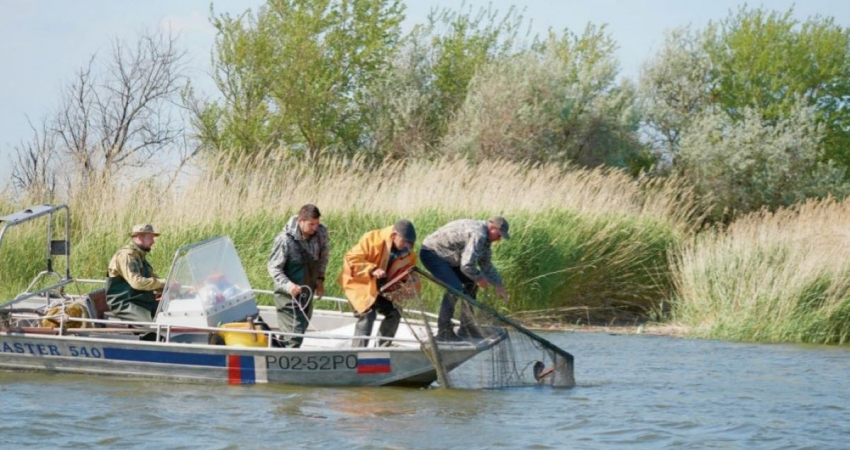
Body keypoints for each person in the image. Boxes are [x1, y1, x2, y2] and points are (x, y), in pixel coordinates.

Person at [419, 216, 510, 341]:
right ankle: (444, 331)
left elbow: (486, 265)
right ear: (492, 227)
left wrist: (499, 285)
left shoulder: (486, 240)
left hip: (449, 257)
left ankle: (467, 328)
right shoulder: (479, 234)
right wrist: (479, 278)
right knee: (455, 288)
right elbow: (466, 265)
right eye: (499, 235)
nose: (499, 239)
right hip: (432, 253)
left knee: (470, 283)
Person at [339, 219, 420, 347]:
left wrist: (406, 286)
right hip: (359, 285)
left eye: (410, 244)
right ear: (394, 235)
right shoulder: (372, 239)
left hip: (382, 290)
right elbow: (352, 259)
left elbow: (408, 275)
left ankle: (382, 348)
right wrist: (372, 270)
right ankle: (358, 350)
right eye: (404, 242)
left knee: (395, 312)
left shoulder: (409, 256)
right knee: (368, 313)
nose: (407, 246)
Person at [267, 204, 330, 348]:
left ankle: (276, 353)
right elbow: (273, 267)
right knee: (294, 336)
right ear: (300, 221)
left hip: (307, 291)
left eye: (317, 223)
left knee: (299, 328)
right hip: (288, 295)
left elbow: (323, 257)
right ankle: (288, 364)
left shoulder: (321, 233)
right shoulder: (285, 240)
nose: (315, 228)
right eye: (311, 224)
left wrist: (320, 279)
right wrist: (289, 286)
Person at [105, 224, 165, 325]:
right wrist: (163, 283)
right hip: (124, 302)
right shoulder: (127, 255)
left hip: (138, 299)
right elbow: (136, 282)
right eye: (150, 237)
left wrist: (167, 287)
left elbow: (152, 277)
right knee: (151, 326)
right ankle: (151, 339)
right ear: (140, 237)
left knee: (167, 313)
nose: (153, 242)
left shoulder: (139, 255)